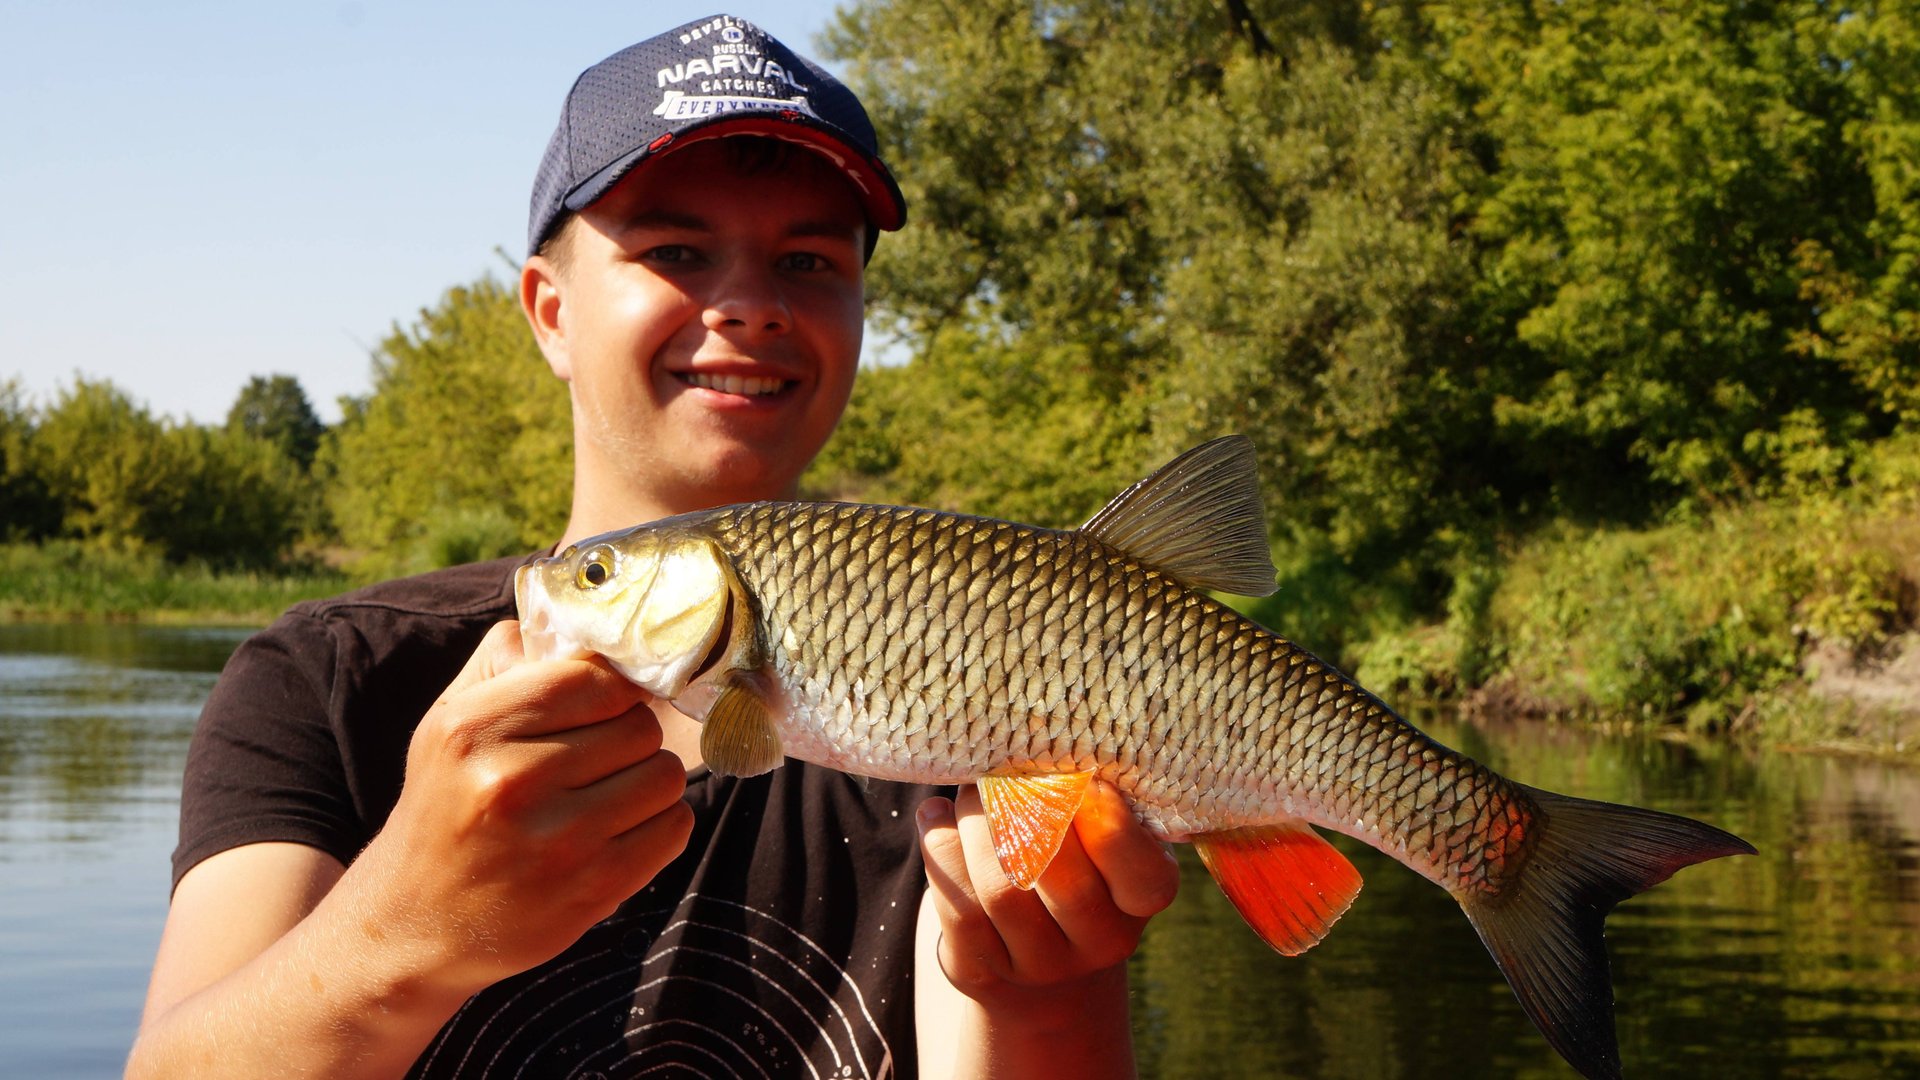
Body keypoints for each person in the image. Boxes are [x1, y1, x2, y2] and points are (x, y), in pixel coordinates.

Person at [128, 14, 1179, 1080]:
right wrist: (402, 929)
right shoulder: (329, 682)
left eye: (808, 260)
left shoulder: (956, 706)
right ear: (550, 312)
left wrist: (1043, 993)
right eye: (674, 251)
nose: (750, 307)